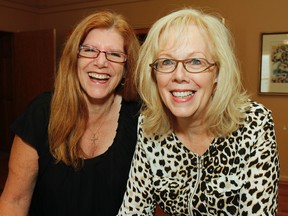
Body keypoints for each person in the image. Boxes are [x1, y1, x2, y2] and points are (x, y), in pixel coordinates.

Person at [118, 8, 280, 216]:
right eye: (167, 61)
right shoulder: (149, 125)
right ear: (154, 73)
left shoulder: (254, 123)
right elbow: (134, 209)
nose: (179, 75)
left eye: (195, 61)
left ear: (217, 73)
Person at [0, 10, 140, 216]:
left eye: (114, 54)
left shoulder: (139, 119)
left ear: (126, 68)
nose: (101, 62)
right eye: (90, 50)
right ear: (74, 58)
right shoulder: (41, 114)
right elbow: (14, 201)